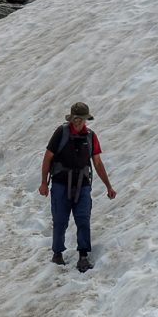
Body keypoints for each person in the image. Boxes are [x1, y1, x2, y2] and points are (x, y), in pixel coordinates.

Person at [38, 102, 116, 272]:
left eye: (82, 119)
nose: (79, 121)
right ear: (72, 118)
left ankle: (83, 256)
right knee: (60, 220)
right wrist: (44, 182)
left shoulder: (90, 136)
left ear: (86, 119)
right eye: (76, 118)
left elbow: (97, 162)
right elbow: (47, 158)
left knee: (83, 219)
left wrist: (108, 186)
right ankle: (57, 254)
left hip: (83, 185)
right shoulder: (61, 132)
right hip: (60, 184)